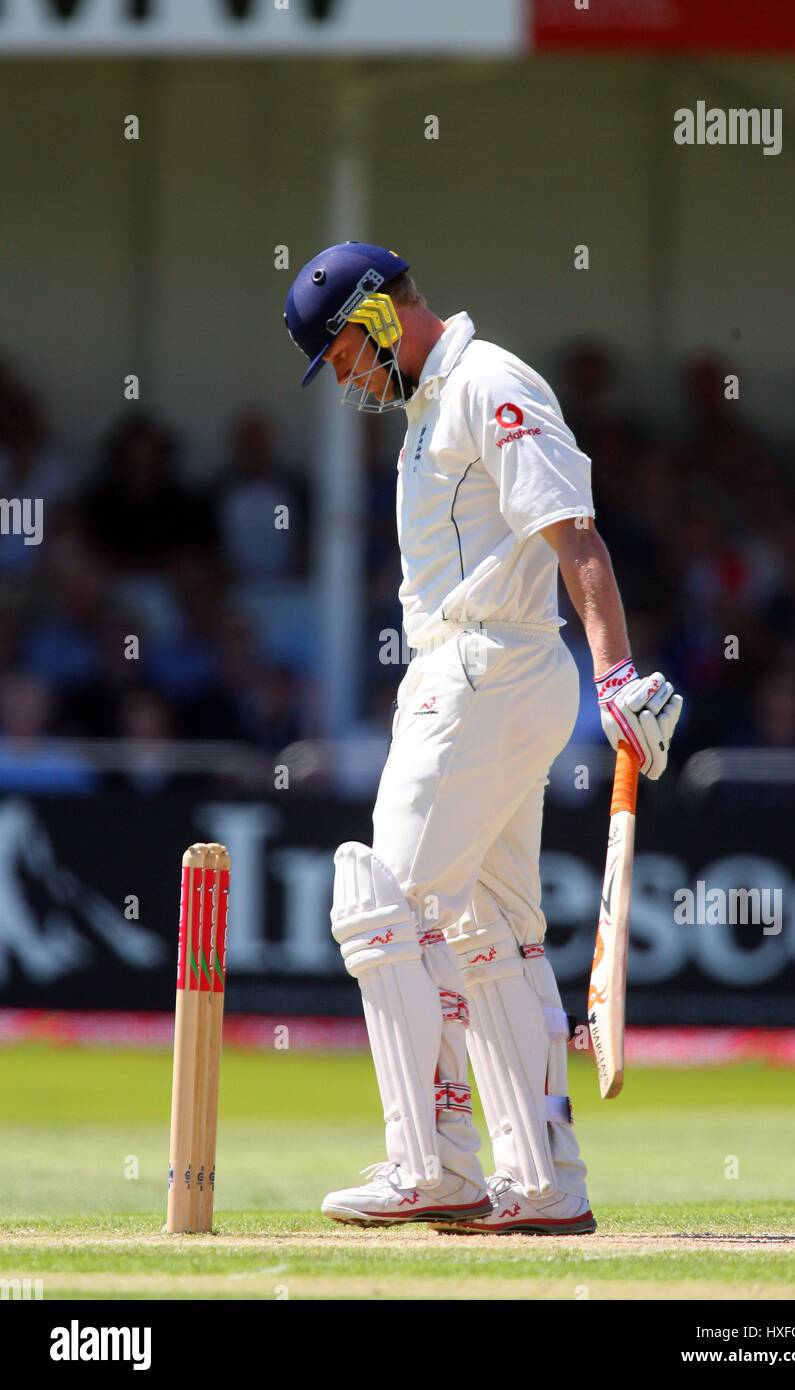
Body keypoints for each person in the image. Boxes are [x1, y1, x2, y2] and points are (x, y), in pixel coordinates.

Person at [282, 242, 683, 1234]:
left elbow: (572, 531)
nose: (341, 374)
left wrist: (617, 672)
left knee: (381, 907)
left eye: (338, 351)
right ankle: (544, 1181)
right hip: (481, 674)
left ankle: (431, 1164)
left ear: (376, 317)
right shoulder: (427, 408)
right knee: (488, 932)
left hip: (485, 670)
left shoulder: (487, 382)